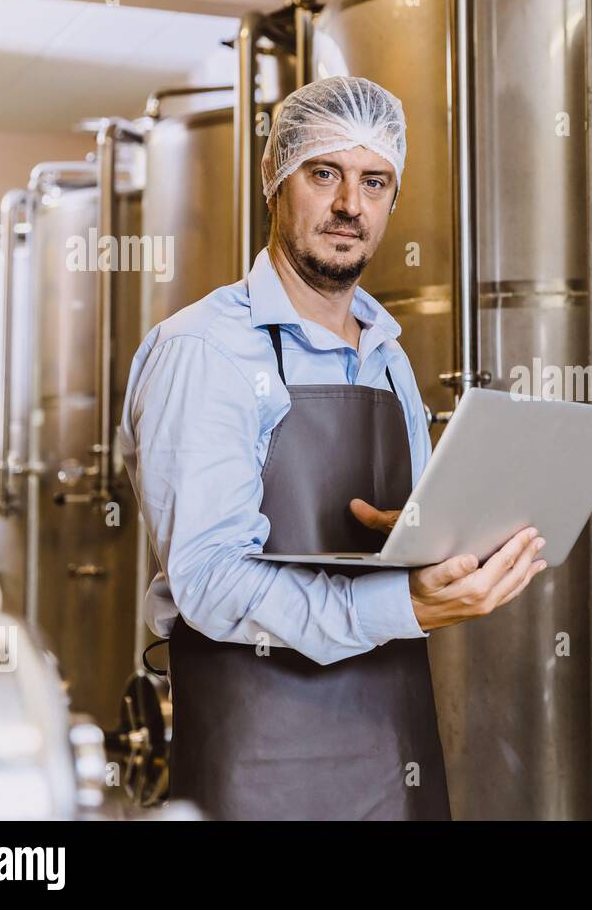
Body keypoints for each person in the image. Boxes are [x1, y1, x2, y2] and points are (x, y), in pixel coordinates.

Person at [118, 75, 545, 820]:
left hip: (395, 744)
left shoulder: (389, 356)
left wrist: (446, 544)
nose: (351, 205)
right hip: (255, 759)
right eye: (326, 174)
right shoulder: (205, 349)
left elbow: (405, 546)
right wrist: (401, 602)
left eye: (374, 181)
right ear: (274, 179)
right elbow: (212, 582)